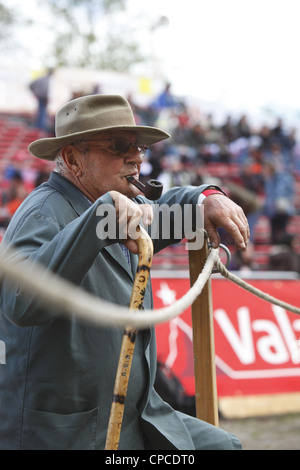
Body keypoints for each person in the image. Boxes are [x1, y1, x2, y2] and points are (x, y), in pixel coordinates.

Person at [0, 94, 249, 450]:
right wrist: (98, 219)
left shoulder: (123, 206)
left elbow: (174, 209)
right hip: (69, 435)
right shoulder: (43, 212)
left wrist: (206, 197)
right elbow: (20, 303)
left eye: (139, 147)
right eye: (119, 146)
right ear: (73, 159)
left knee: (223, 447)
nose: (135, 157)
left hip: (134, 419)